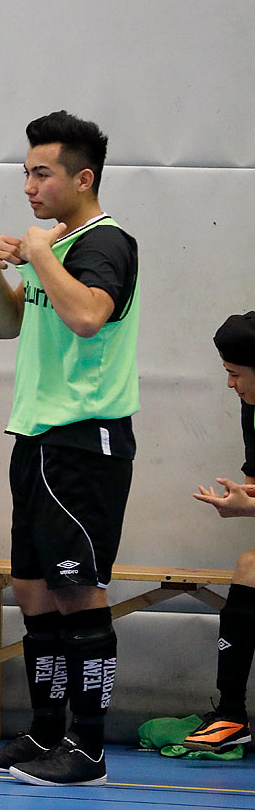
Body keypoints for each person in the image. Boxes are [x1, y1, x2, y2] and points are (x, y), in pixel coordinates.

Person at [0, 110, 139, 787]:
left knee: (78, 590)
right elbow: (12, 325)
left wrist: (40, 251)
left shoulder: (105, 243)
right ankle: (45, 732)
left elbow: (87, 314)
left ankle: (89, 748)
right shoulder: (61, 249)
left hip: (84, 442)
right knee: (34, 588)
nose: (29, 187)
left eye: (42, 174)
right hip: (36, 437)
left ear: (83, 177)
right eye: (26, 173)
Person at [183, 311, 255, 752]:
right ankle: (231, 715)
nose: (230, 385)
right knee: (248, 567)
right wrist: (243, 500)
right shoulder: (252, 408)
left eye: (235, 374)